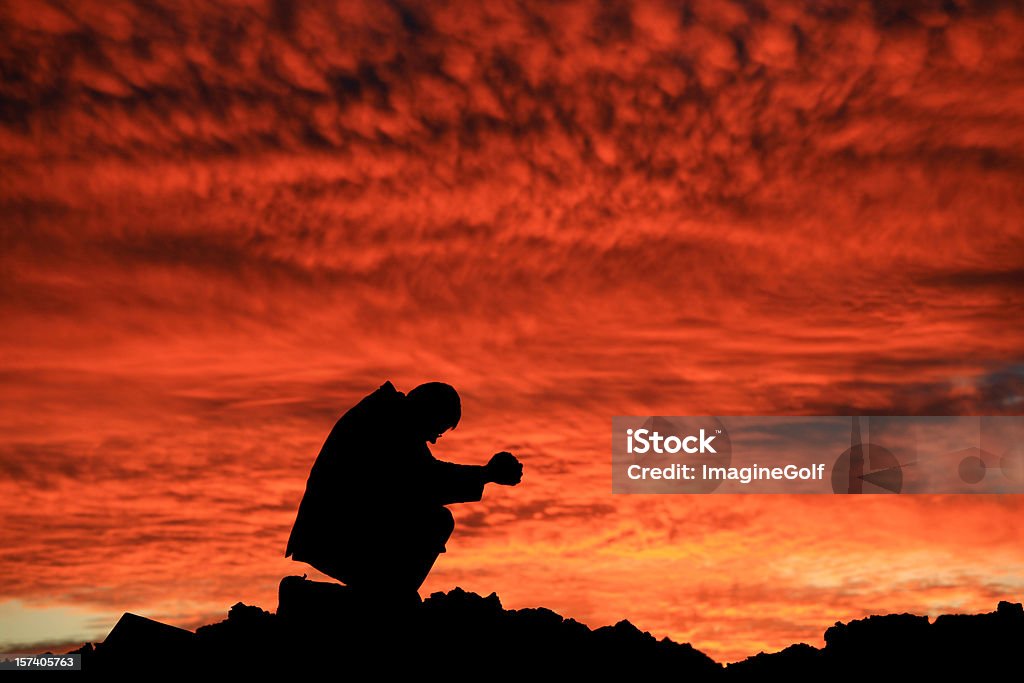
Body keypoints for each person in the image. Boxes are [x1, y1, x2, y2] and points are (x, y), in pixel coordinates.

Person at [285, 381, 523, 599]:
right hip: (336, 530)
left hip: (342, 526)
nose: (433, 440)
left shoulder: (390, 417)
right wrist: (486, 474)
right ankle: (389, 599)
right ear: (427, 412)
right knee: (435, 522)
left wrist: (485, 475)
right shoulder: (386, 422)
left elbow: (418, 478)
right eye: (437, 431)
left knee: (383, 585)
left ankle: (371, 596)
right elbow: (423, 480)